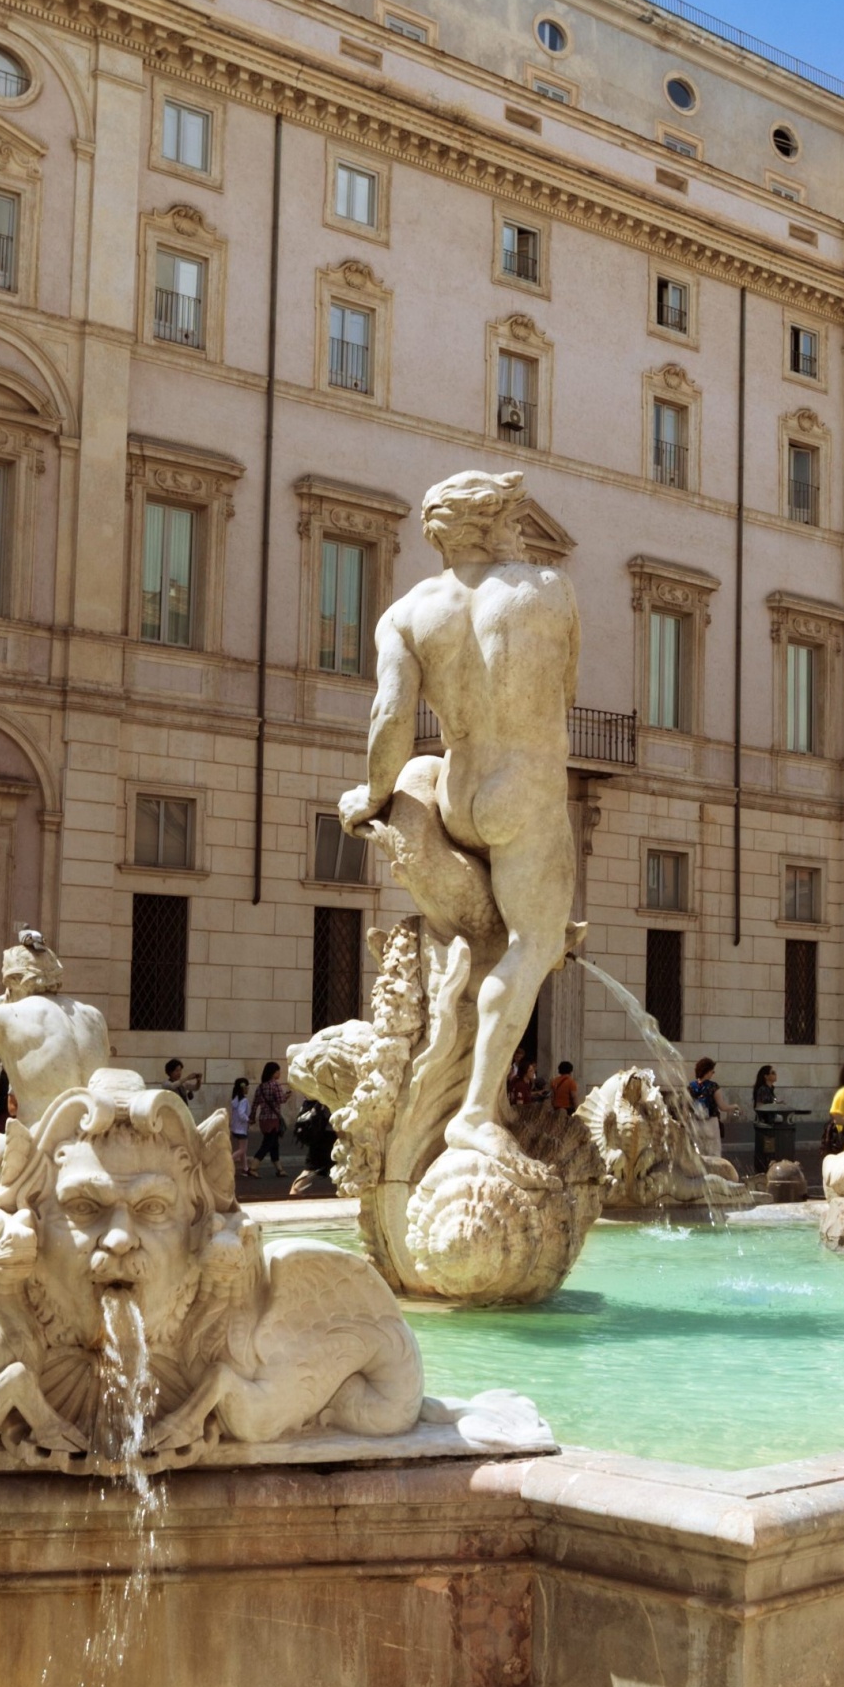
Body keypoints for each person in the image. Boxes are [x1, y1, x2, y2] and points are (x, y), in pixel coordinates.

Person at [339, 467, 579, 1161]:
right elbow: (563, 690)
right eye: (512, 520)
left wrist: (371, 792)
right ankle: (474, 1111)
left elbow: (389, 717)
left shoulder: (408, 613)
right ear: (496, 523)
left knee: (419, 770)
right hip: (523, 792)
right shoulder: (550, 591)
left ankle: (447, 1044)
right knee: (535, 944)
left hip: (456, 788)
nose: (518, 532)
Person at [0, 932, 110, 1121]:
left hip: (42, 1141)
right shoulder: (94, 1016)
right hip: (94, 1137)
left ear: (14, 982)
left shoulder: (4, 1015)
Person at [289, 1097, 335, 1196]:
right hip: (329, 1135)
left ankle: (294, 1193)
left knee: (311, 1168)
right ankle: (294, 1194)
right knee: (311, 1168)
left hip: (324, 1134)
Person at [251, 1059, 287, 1180]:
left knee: (274, 1144)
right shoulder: (275, 1085)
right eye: (278, 1071)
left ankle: (279, 1169)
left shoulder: (260, 1087)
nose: (279, 1074)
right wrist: (286, 1096)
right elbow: (280, 1099)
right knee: (267, 1144)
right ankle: (253, 1167)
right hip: (273, 1118)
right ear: (273, 1073)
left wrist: (252, 1117)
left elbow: (255, 1104)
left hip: (263, 1119)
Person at [752, 1064, 780, 1174]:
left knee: (771, 1150)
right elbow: (759, 1106)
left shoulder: (770, 1089)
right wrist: (775, 1105)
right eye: (772, 1073)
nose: (775, 1075)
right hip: (765, 1125)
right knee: (767, 1150)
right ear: (766, 1076)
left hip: (771, 1124)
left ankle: (767, 1169)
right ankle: (764, 1171)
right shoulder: (763, 1089)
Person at [228, 1075, 251, 1180]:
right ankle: (227, 1162)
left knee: (243, 1150)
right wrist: (248, 1119)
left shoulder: (235, 1099)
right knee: (242, 1149)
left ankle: (245, 1168)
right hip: (241, 1128)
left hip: (235, 1127)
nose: (248, 1089)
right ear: (243, 1088)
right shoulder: (244, 1100)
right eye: (247, 1087)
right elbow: (242, 1114)